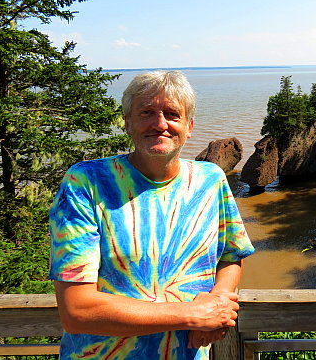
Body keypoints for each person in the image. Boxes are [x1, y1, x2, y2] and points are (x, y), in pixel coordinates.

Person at [49, 70, 255, 360]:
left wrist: (219, 301)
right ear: (128, 123)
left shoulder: (211, 180)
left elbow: (231, 256)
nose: (160, 124)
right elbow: (76, 310)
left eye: (172, 114)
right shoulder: (87, 182)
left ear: (189, 126)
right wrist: (191, 315)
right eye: (146, 112)